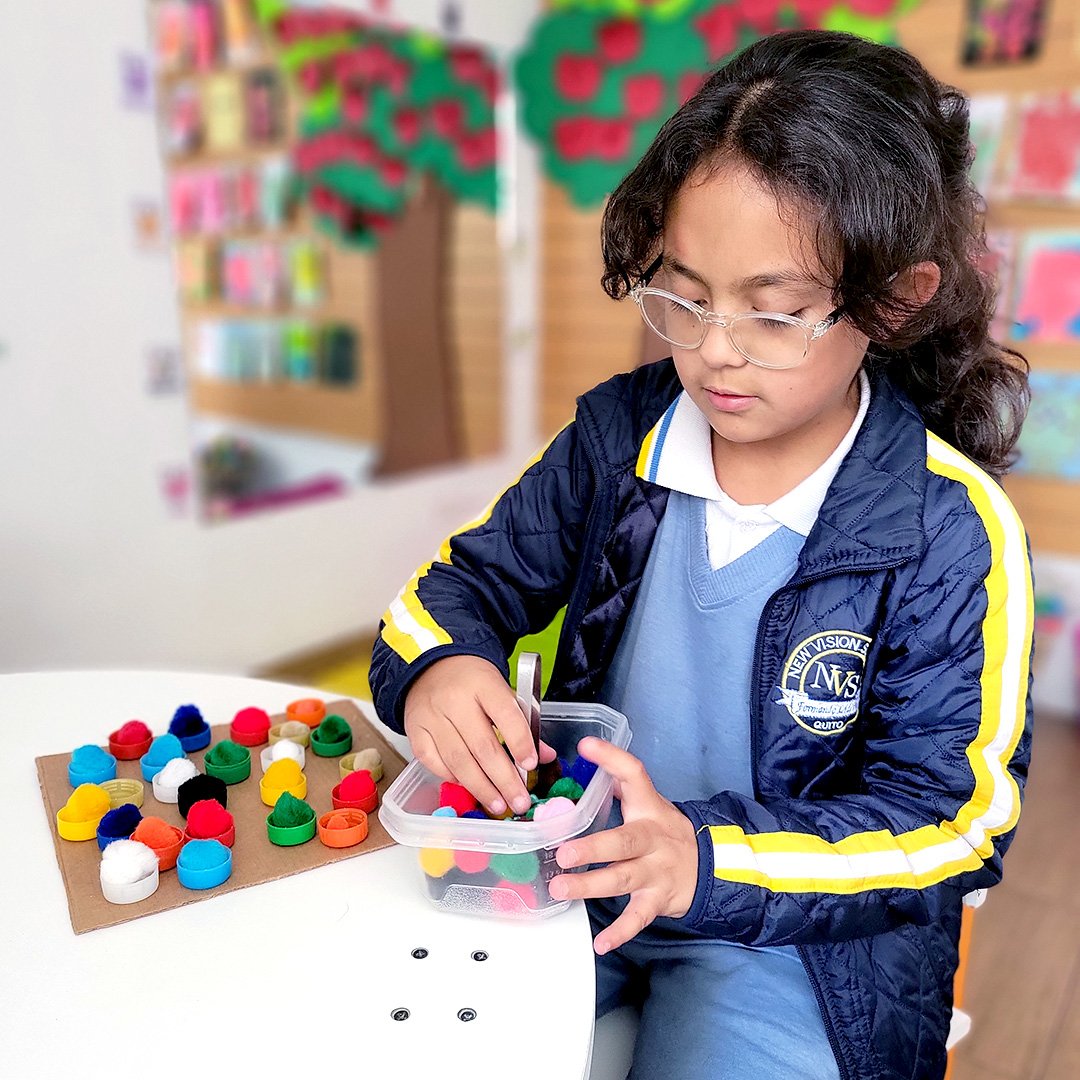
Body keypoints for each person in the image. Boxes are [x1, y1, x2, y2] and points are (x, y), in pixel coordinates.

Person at [370, 29, 1033, 1080]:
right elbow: (449, 592)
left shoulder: (949, 528)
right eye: (684, 296)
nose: (715, 349)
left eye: (774, 314)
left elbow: (954, 821)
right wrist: (441, 666)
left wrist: (705, 859)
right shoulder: (614, 438)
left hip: (793, 947)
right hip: (569, 873)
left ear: (893, 300)